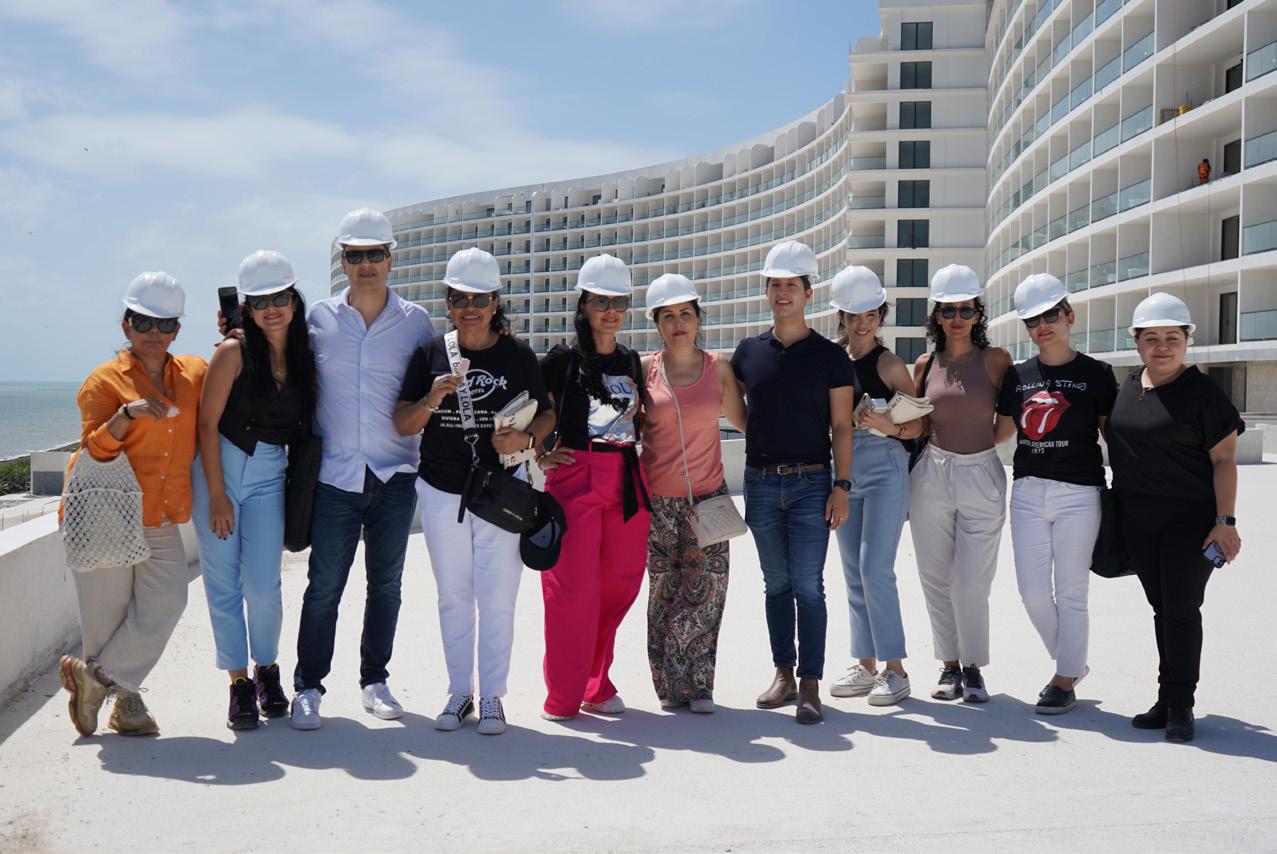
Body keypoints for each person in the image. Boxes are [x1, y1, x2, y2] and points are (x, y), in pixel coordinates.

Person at [395, 248, 555, 735]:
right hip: (442, 490)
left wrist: (526, 440)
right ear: (447, 303)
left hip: (501, 491)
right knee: (453, 596)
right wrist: (431, 399)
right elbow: (403, 423)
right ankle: (459, 691)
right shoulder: (429, 354)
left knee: (498, 597)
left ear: (495, 302)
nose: (470, 307)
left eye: (480, 298)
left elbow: (548, 414)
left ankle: (492, 698)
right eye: (460, 298)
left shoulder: (518, 355)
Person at [288, 208, 435, 729]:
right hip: (335, 476)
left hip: (396, 474)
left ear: (391, 260)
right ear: (343, 262)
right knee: (324, 587)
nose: (366, 264)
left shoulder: (417, 322)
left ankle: (375, 681)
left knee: (386, 585)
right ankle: (308, 688)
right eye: (355, 255)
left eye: (375, 254)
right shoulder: (317, 320)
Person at [58, 272, 206, 738]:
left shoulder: (194, 374)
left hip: (160, 513)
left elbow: (234, 373)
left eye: (164, 324)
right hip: (104, 516)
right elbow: (94, 451)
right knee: (106, 615)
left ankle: (95, 678)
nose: (153, 332)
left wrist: (238, 332)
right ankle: (127, 703)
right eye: (143, 322)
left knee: (169, 599)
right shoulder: (104, 381)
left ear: (177, 330)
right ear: (126, 325)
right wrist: (126, 415)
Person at [1106, 292, 1243, 743]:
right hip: (1137, 519)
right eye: (1151, 338)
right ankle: (1166, 700)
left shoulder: (1204, 393)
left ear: (1187, 340)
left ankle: (1181, 705)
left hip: (1190, 520)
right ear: (1136, 342)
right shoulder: (1129, 385)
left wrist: (1226, 522)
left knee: (1181, 609)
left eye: (1172, 337)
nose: (1162, 346)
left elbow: (1225, 460)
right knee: (1161, 608)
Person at [731, 240, 855, 725]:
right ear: (767, 291)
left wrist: (841, 485)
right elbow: (736, 410)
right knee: (776, 584)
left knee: (809, 585)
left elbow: (841, 425)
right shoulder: (748, 353)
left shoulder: (830, 356)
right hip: (761, 482)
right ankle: (783, 674)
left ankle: (810, 684)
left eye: (791, 285)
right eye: (775, 284)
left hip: (811, 483)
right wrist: (762, 432)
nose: (782, 292)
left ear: (808, 293)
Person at [192, 251, 314, 730]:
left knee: (264, 586)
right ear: (247, 308)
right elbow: (206, 424)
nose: (271, 309)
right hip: (218, 469)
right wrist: (217, 494)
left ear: (294, 300)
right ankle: (239, 683)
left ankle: (268, 668)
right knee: (223, 584)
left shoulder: (306, 353)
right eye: (260, 301)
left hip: (268, 473)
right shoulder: (233, 351)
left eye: (280, 297)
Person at [993, 274, 1116, 714]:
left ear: (1069, 317)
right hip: (1027, 490)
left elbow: (1113, 436)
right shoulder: (1017, 376)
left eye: (1050, 316)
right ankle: (1073, 662)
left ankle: (1064, 679)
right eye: (1032, 320)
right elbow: (999, 433)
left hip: (1080, 493)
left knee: (1071, 592)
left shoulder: (1097, 374)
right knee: (1031, 592)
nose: (1042, 326)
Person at [537, 253, 651, 721]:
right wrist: (539, 452)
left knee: (619, 585)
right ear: (583, 304)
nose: (610, 311)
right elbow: (534, 410)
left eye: (618, 302)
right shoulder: (562, 360)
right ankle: (564, 695)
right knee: (572, 592)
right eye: (600, 301)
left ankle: (595, 683)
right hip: (575, 477)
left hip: (625, 478)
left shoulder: (631, 361)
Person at [639, 273, 748, 714]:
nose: (678, 323)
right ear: (657, 324)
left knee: (707, 594)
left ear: (698, 318)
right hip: (657, 503)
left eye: (685, 313)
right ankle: (667, 685)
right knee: (663, 594)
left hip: (708, 499)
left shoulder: (718, 368)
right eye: (668, 316)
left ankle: (700, 686)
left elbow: (746, 423)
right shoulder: (645, 369)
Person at [909, 264, 1012, 704]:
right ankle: (949, 665)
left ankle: (973, 667)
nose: (957, 318)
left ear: (978, 314)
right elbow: (917, 424)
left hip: (981, 472)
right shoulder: (925, 364)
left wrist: (976, 452)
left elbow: (1006, 425)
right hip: (932, 473)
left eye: (965, 310)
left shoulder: (996, 360)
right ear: (937, 316)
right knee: (935, 577)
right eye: (948, 310)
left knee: (971, 582)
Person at [826, 266, 925, 707]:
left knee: (874, 569)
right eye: (854, 315)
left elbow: (920, 425)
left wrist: (886, 425)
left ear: (881, 315)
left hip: (886, 468)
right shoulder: (832, 360)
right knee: (852, 571)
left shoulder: (890, 364)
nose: (862, 323)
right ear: (842, 318)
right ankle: (865, 665)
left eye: (870, 314)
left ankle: (896, 670)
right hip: (844, 469)